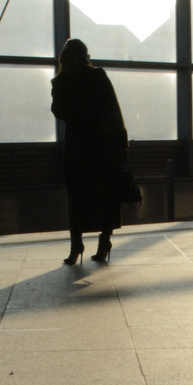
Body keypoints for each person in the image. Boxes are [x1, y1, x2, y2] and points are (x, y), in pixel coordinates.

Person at [50, 38, 127, 265]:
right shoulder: (98, 77)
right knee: (106, 194)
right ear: (86, 56)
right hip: (105, 145)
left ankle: (76, 246)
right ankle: (104, 242)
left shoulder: (61, 81)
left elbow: (59, 113)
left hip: (78, 147)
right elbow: (113, 110)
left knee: (77, 195)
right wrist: (122, 142)